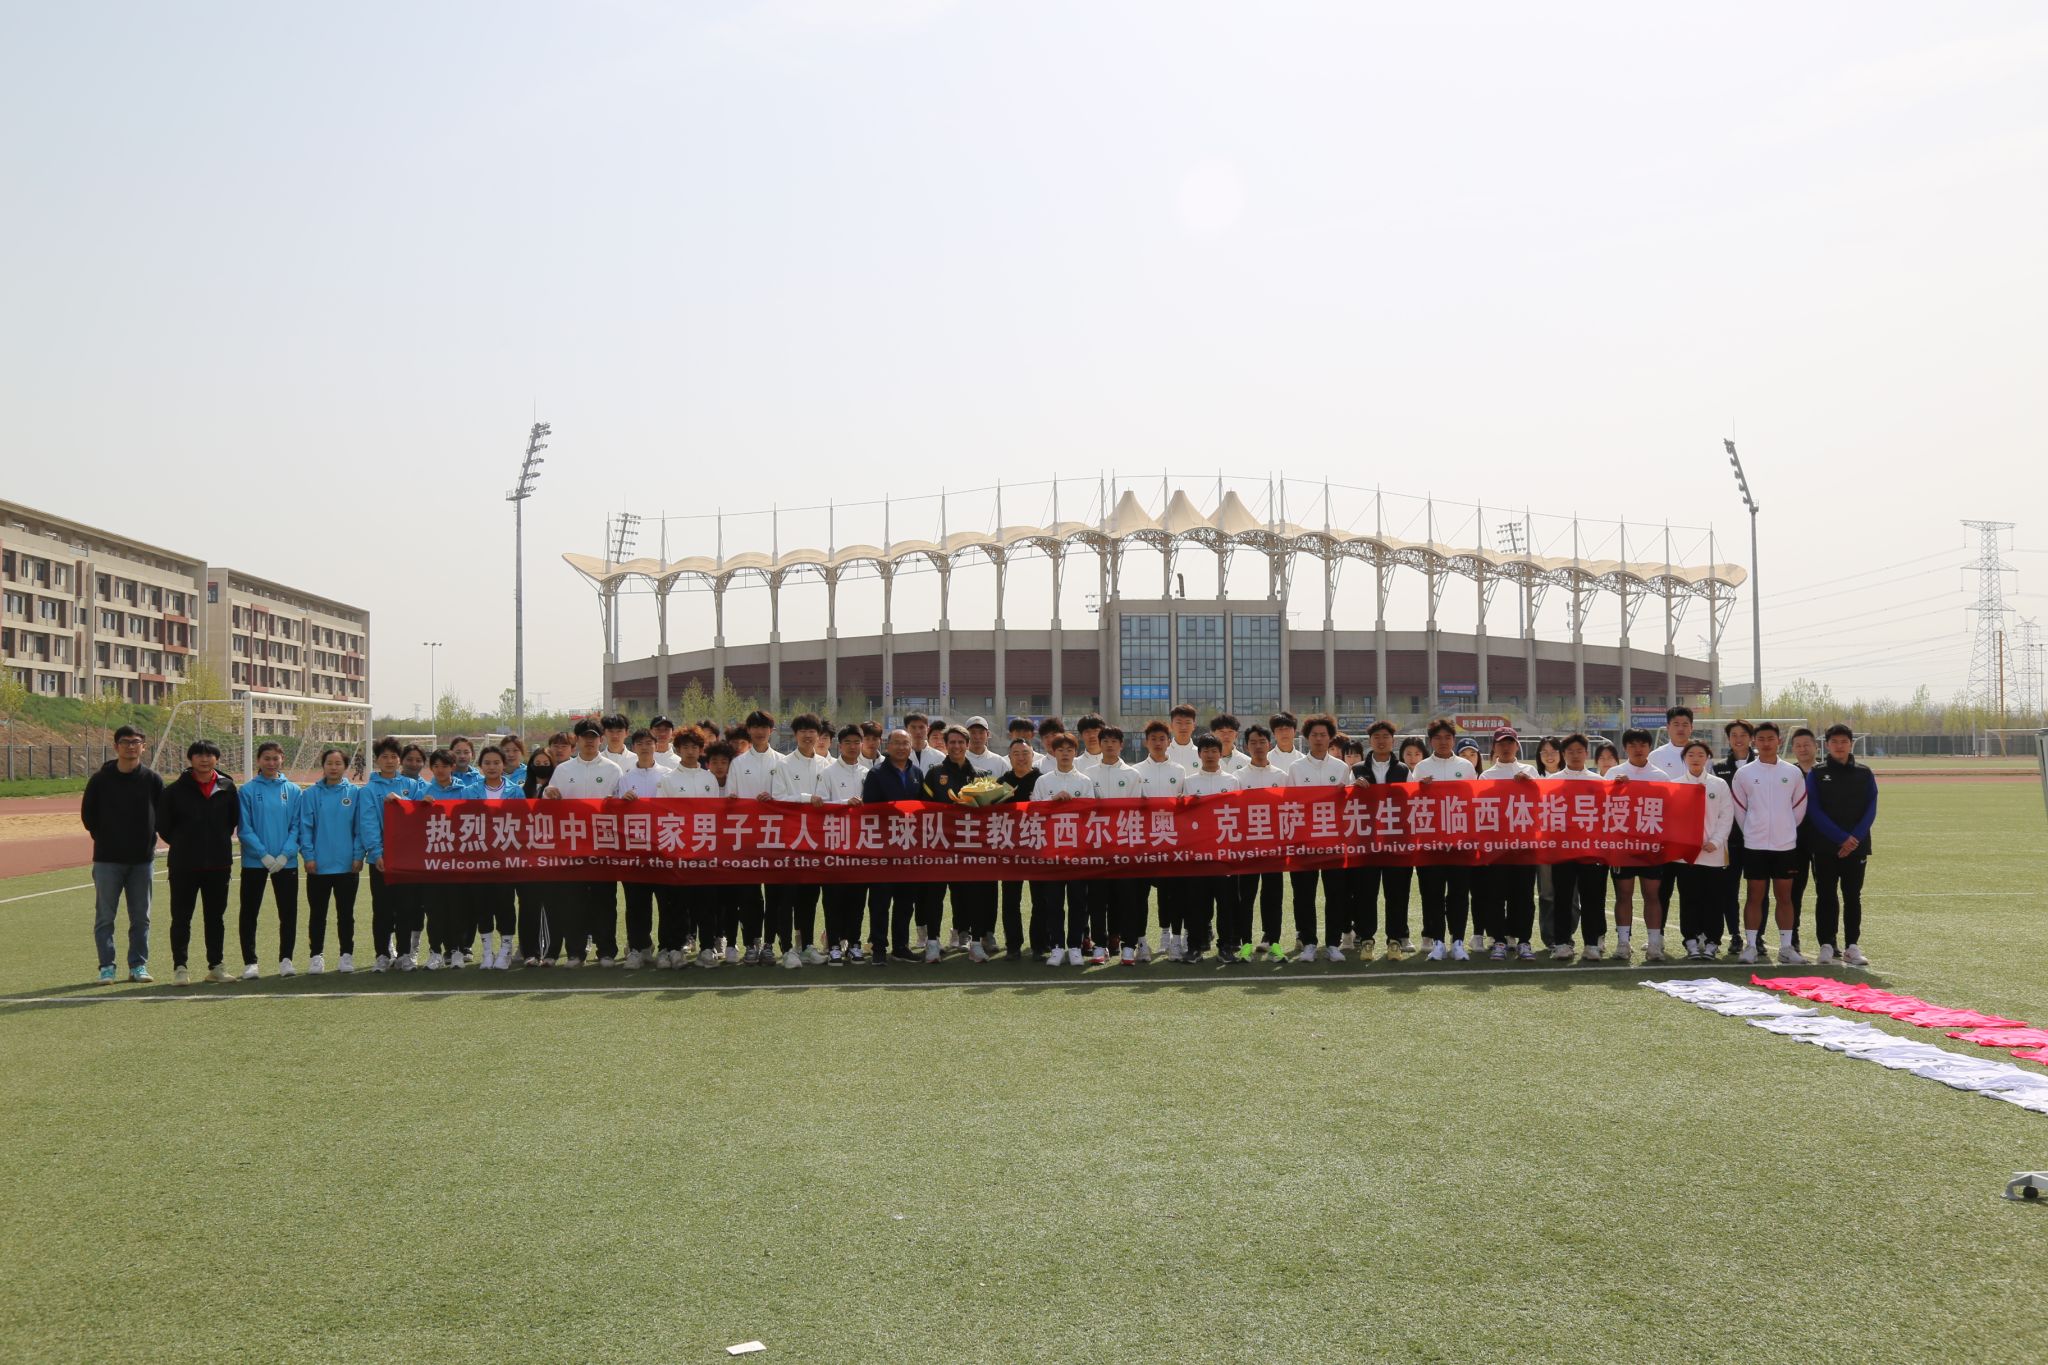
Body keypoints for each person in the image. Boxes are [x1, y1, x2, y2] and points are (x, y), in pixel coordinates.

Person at [80, 724, 165, 984]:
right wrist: (107, 838)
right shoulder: (100, 780)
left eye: (136, 742)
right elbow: (88, 817)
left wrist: (147, 841)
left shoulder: (152, 780)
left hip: (142, 861)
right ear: (116, 746)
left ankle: (138, 965)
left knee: (141, 917)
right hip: (107, 860)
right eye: (125, 742)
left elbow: (162, 815)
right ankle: (107, 966)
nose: (131, 746)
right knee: (105, 916)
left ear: (144, 747)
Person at [541, 719, 625, 967]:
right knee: (572, 901)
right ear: (576, 740)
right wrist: (548, 795)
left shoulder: (613, 769)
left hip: (603, 846)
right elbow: (549, 802)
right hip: (571, 847)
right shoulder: (563, 770)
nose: (589, 741)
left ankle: (606, 951)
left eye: (594, 736)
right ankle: (576, 952)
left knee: (604, 901)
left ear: (601, 739)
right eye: (584, 736)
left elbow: (622, 807)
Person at [156, 740, 240, 985]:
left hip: (218, 864)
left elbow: (232, 821)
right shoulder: (174, 791)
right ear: (190, 759)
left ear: (217, 758)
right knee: (181, 918)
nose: (204, 759)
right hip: (184, 865)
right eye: (199, 755)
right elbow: (164, 826)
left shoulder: (227, 787)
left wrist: (215, 841)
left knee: (215, 918)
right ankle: (180, 968)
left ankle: (216, 967)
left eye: (210, 755)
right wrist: (185, 843)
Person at [1730, 721, 1809, 965]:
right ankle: (1751, 946)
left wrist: (1785, 829)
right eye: (1761, 739)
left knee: (1785, 897)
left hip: (1785, 845)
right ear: (1754, 742)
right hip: (1754, 845)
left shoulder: (1793, 772)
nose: (1766, 743)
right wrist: (1753, 831)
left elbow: (1799, 808)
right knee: (1754, 895)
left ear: (1779, 741)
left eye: (1770, 739)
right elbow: (1740, 809)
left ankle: (1786, 948)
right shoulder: (1744, 773)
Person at [1807, 723, 1877, 966]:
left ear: (1851, 744)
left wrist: (1853, 838)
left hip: (1856, 846)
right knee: (1826, 895)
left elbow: (1871, 807)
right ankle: (1826, 945)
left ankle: (1852, 947)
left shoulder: (1864, 773)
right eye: (1834, 742)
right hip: (1825, 846)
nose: (1839, 746)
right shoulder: (1817, 773)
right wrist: (1840, 838)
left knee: (1852, 896)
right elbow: (1814, 809)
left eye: (1844, 741)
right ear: (1827, 745)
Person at [1285, 713, 1353, 962]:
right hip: (1304, 842)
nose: (1318, 739)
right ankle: (1308, 943)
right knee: (1304, 895)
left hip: (1334, 841)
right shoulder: (1296, 768)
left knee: (1336, 894)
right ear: (1307, 737)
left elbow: (1349, 805)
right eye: (1314, 735)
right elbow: (1289, 804)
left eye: (1323, 735)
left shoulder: (1341, 768)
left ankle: (1333, 943)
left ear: (1330, 738)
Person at [768, 713, 833, 966]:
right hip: (790, 841)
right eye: (802, 731)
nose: (808, 735)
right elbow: (778, 798)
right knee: (787, 898)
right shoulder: (783, 765)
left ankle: (806, 946)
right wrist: (807, 799)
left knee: (809, 897)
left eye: (812, 731)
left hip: (817, 842)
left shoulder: (827, 765)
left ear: (819, 735)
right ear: (795, 735)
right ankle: (787, 949)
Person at [1605, 727, 1674, 962]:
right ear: (1625, 748)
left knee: (1652, 894)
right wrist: (1615, 788)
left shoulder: (1660, 777)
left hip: (1650, 846)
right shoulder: (1614, 773)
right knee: (1623, 894)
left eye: (1642, 744)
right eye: (1632, 745)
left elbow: (1668, 810)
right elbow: (1602, 806)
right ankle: (1623, 943)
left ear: (1649, 747)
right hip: (1622, 846)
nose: (1638, 749)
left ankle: (1654, 944)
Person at [1346, 720, 1413, 960]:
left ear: (1393, 741)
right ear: (1370, 741)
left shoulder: (1403, 770)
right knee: (1365, 893)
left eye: (1386, 737)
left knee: (1397, 893)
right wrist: (1353, 788)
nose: (1381, 741)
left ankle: (1395, 939)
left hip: (1397, 843)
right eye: (1377, 737)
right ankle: (1366, 939)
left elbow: (1413, 802)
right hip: (1366, 843)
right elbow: (1345, 803)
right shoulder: (1357, 770)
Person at [358, 735, 425, 971]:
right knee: (382, 909)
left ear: (400, 760)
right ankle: (382, 954)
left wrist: (404, 801)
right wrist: (377, 853)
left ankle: (405, 954)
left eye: (393, 756)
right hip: (381, 860)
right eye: (384, 756)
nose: (389, 761)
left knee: (407, 907)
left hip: (407, 860)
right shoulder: (369, 790)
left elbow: (422, 813)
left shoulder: (412, 786)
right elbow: (368, 823)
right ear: (377, 760)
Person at [1473, 727, 1541, 960]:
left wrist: (1529, 784)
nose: (1506, 747)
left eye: (1510, 742)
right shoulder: (1487, 776)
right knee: (1496, 894)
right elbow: (1482, 809)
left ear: (1517, 745)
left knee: (1523, 896)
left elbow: (1541, 803)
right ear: (1494, 747)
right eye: (1501, 743)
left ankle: (1523, 940)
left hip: (1525, 845)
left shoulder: (1529, 771)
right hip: (1496, 846)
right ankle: (1499, 940)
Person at [237, 741, 303, 978]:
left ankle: (286, 960)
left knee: (288, 912)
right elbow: (244, 828)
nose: (271, 763)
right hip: (255, 862)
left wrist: (286, 854)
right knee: (249, 912)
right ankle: (250, 962)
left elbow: (298, 826)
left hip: (286, 862)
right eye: (266, 758)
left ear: (282, 759)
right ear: (258, 760)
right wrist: (262, 854)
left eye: (275, 758)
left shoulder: (293, 790)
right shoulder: (247, 791)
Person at [1413, 718, 1477, 961]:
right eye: (1438, 738)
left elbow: (1473, 802)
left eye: (1447, 737)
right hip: (1430, 843)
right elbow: (1412, 804)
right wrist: (1420, 789)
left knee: (1459, 894)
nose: (1443, 742)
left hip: (1460, 842)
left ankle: (1458, 941)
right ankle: (1438, 942)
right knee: (1433, 894)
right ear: (1430, 741)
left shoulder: (1466, 766)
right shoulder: (1421, 768)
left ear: (1453, 740)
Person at [862, 728, 926, 965]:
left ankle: (901, 946)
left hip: (909, 848)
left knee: (905, 901)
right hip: (883, 848)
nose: (901, 747)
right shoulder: (876, 774)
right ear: (887, 746)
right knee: (880, 901)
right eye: (896, 743)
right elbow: (870, 809)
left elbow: (924, 808)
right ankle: (879, 947)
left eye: (905, 743)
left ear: (911, 747)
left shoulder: (917, 772)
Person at [657, 727, 719, 967]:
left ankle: (707, 948)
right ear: (678, 749)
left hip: (704, 850)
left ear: (701, 750)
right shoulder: (668, 779)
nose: (690, 751)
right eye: (685, 747)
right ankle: (675, 948)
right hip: (678, 851)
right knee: (678, 904)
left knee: (706, 903)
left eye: (695, 747)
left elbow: (714, 815)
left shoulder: (709, 778)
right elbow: (662, 815)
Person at [297, 746, 363, 974]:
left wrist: (358, 855)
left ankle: (346, 955)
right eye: (329, 763)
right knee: (318, 914)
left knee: (346, 914)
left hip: (347, 866)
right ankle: (316, 956)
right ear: (323, 766)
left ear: (345, 767)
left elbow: (359, 829)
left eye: (338, 763)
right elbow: (305, 828)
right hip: (318, 866)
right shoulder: (310, 794)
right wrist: (309, 856)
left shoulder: (354, 793)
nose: (333, 768)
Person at [1031, 732, 1095, 965]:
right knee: (1054, 902)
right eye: (1061, 750)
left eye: (1070, 750)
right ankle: (1057, 946)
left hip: (1077, 852)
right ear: (1053, 752)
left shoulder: (1085, 781)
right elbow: (1034, 812)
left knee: (1078, 902)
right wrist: (1052, 802)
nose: (1065, 754)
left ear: (1075, 753)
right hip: (1052, 851)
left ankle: (1075, 946)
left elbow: (1091, 814)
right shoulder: (1043, 781)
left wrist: (1074, 804)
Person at [1668, 739, 1734, 960]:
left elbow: (1726, 815)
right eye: (1691, 755)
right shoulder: (1675, 785)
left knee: (1714, 899)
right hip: (1686, 856)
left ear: (1708, 758)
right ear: (1684, 758)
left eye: (1700, 755)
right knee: (1689, 899)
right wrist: (1683, 842)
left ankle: (1712, 941)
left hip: (1713, 854)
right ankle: (1691, 941)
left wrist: (1716, 841)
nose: (1695, 759)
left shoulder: (1719, 784)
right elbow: (1671, 819)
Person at [1546, 733, 1610, 959]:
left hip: (1591, 850)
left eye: (1579, 751)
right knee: (1562, 898)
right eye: (1570, 751)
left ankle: (1591, 944)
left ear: (1586, 754)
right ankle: (1562, 943)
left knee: (1592, 898)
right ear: (1563, 754)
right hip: (1562, 850)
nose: (1575, 755)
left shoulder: (1599, 782)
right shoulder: (1552, 782)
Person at [1178, 734, 1240, 963]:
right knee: (1197, 903)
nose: (1210, 755)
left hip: (1225, 854)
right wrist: (1183, 803)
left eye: (1214, 750)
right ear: (1199, 754)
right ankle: (1195, 947)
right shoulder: (1189, 781)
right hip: (1198, 854)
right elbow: (1182, 816)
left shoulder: (1232, 781)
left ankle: (1226, 947)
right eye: (1206, 751)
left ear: (1221, 753)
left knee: (1227, 904)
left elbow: (1239, 813)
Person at [1234, 724, 1292, 962]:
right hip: (1247, 848)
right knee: (1245, 897)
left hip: (1273, 847)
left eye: (1262, 742)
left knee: (1273, 896)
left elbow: (1289, 811)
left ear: (1269, 745)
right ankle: (1245, 944)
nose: (1258, 746)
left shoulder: (1281, 776)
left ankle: (1274, 943)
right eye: (1253, 742)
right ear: (1245, 746)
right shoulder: (1238, 777)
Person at [1133, 720, 1188, 959]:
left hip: (1171, 841)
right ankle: (1141, 943)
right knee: (1141, 895)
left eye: (1162, 739)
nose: (1158, 743)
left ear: (1169, 742)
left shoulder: (1179, 770)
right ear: (1146, 742)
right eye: (1153, 739)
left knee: (1173, 893)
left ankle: (1173, 939)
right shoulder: (1135, 771)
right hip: (1143, 842)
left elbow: (1184, 802)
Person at [816, 725, 871, 963]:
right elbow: (820, 806)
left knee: (857, 899)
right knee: (833, 899)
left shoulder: (868, 772)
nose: (852, 746)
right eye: (847, 742)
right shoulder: (828, 772)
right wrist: (845, 803)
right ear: (840, 746)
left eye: (856, 742)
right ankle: (834, 945)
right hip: (834, 845)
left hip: (861, 845)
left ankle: (855, 942)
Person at [1086, 726, 1141, 964]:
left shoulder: (1132, 774)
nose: (1109, 745)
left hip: (1124, 846)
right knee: (1098, 899)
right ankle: (1099, 944)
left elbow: (1135, 811)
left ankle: (1128, 945)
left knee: (1127, 898)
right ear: (1099, 744)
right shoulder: (1088, 774)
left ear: (1121, 745)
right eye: (1105, 741)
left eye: (1114, 741)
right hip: (1097, 847)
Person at [466, 744, 524, 968]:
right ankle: (487, 952)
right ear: (480, 766)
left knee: (505, 905)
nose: (492, 767)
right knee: (482, 905)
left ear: (503, 765)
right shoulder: (470, 791)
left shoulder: (515, 791)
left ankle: (505, 950)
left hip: (506, 860)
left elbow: (522, 824)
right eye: (487, 763)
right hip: (479, 859)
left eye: (496, 763)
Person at [992, 737, 1042, 961]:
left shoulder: (1042, 780)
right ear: (1010, 757)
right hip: (1010, 848)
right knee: (1010, 899)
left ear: (1032, 755)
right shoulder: (1002, 783)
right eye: (1016, 754)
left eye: (1025, 753)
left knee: (1040, 899)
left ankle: (1039, 944)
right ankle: (1013, 945)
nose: (1021, 758)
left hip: (1037, 846)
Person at [1710, 719, 1755, 955]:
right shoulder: (1717, 768)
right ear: (1728, 739)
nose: (1738, 739)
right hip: (1729, 841)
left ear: (1751, 738)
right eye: (1734, 735)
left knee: (1757, 891)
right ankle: (1735, 935)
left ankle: (1757, 938)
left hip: (1758, 841)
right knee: (1729, 891)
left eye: (1743, 735)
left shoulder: (1762, 765)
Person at [1532, 735, 1564, 953]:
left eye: (1553, 751)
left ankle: (1566, 935)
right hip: (1543, 845)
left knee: (1569, 893)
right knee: (1546, 893)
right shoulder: (1533, 779)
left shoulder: (1571, 778)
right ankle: (1550, 936)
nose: (1549, 756)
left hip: (1568, 844)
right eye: (1545, 752)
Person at [1648, 706, 1695, 779]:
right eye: (1676, 725)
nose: (1680, 729)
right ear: (1668, 727)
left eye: (1685, 725)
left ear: (1691, 728)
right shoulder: (1655, 756)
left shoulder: (1702, 755)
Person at [1166, 703, 1201, 768]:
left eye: (1188, 723)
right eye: (1179, 723)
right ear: (1171, 725)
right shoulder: (1163, 755)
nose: (1183, 727)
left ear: (1194, 726)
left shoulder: (1201, 755)